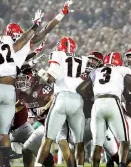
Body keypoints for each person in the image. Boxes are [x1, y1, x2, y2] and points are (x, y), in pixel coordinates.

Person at [0, 9, 44, 167]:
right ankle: (5, 163)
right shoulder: (7, 48)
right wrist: (35, 25)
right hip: (9, 91)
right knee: (4, 132)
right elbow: (21, 44)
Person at [76, 52, 131, 167]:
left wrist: (92, 96)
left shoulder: (96, 71)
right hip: (113, 102)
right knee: (124, 141)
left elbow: (80, 89)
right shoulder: (122, 70)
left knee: (97, 145)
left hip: (97, 104)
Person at [35, 37, 88, 167]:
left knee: (48, 139)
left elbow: (50, 79)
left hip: (62, 98)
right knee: (79, 142)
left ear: (60, 47)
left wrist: (41, 72)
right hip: (77, 101)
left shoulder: (58, 55)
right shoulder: (84, 59)